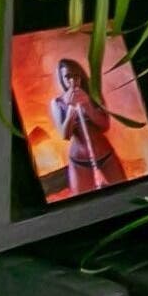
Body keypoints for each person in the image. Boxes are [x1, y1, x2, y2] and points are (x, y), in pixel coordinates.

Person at [48, 55, 142, 198]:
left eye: (76, 75)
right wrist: (71, 109)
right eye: (68, 77)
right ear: (62, 79)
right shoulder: (58, 103)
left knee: (124, 195)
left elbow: (105, 125)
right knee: (82, 203)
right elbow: (65, 135)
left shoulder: (93, 94)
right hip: (79, 162)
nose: (73, 80)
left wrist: (87, 105)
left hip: (106, 156)